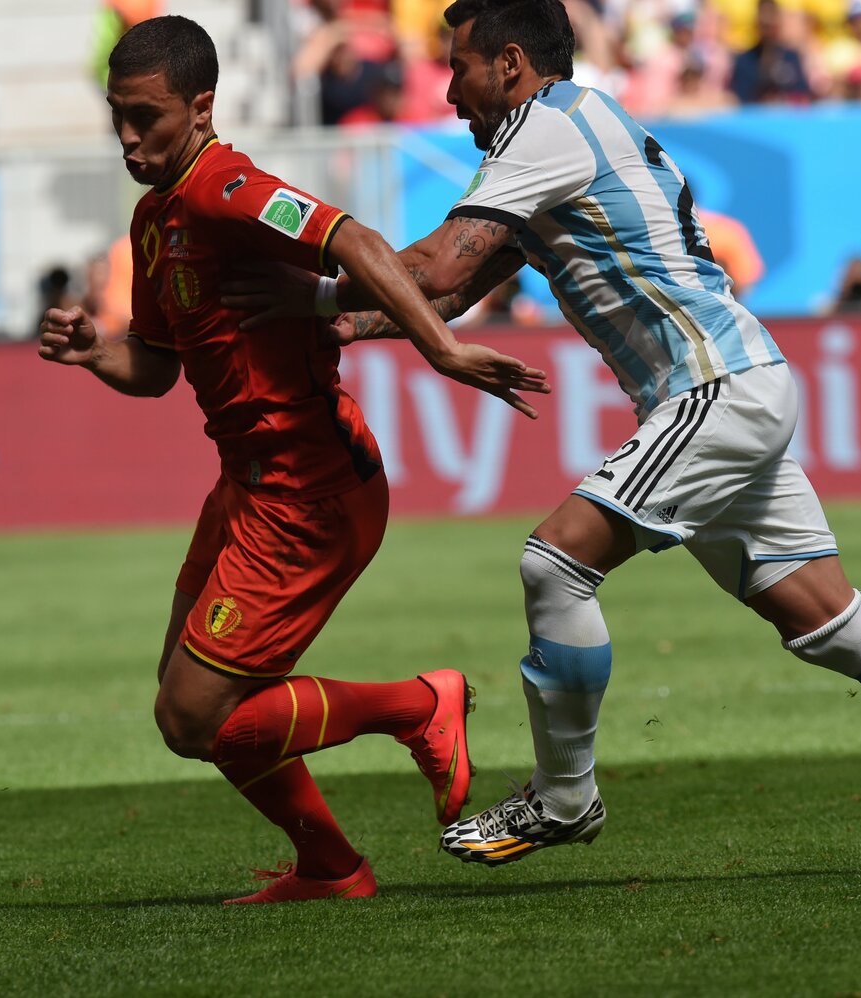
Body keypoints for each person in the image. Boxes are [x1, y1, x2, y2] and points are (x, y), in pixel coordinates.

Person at [231, 0, 861, 873]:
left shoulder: (545, 131)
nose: (450, 92)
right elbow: (448, 298)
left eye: (459, 69)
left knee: (555, 561)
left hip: (712, 389)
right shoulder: (568, 130)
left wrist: (304, 292)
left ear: (512, 63)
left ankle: (565, 798)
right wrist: (342, 326)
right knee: (827, 621)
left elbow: (435, 267)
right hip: (732, 386)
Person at [37, 15, 548, 905]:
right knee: (195, 714)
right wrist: (95, 350)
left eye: (145, 117)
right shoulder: (156, 219)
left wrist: (442, 348)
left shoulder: (227, 186)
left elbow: (355, 242)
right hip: (248, 487)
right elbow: (155, 369)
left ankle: (419, 706)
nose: (127, 136)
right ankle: (330, 866)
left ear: (200, 108)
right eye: (116, 115)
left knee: (196, 713)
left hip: (311, 495)